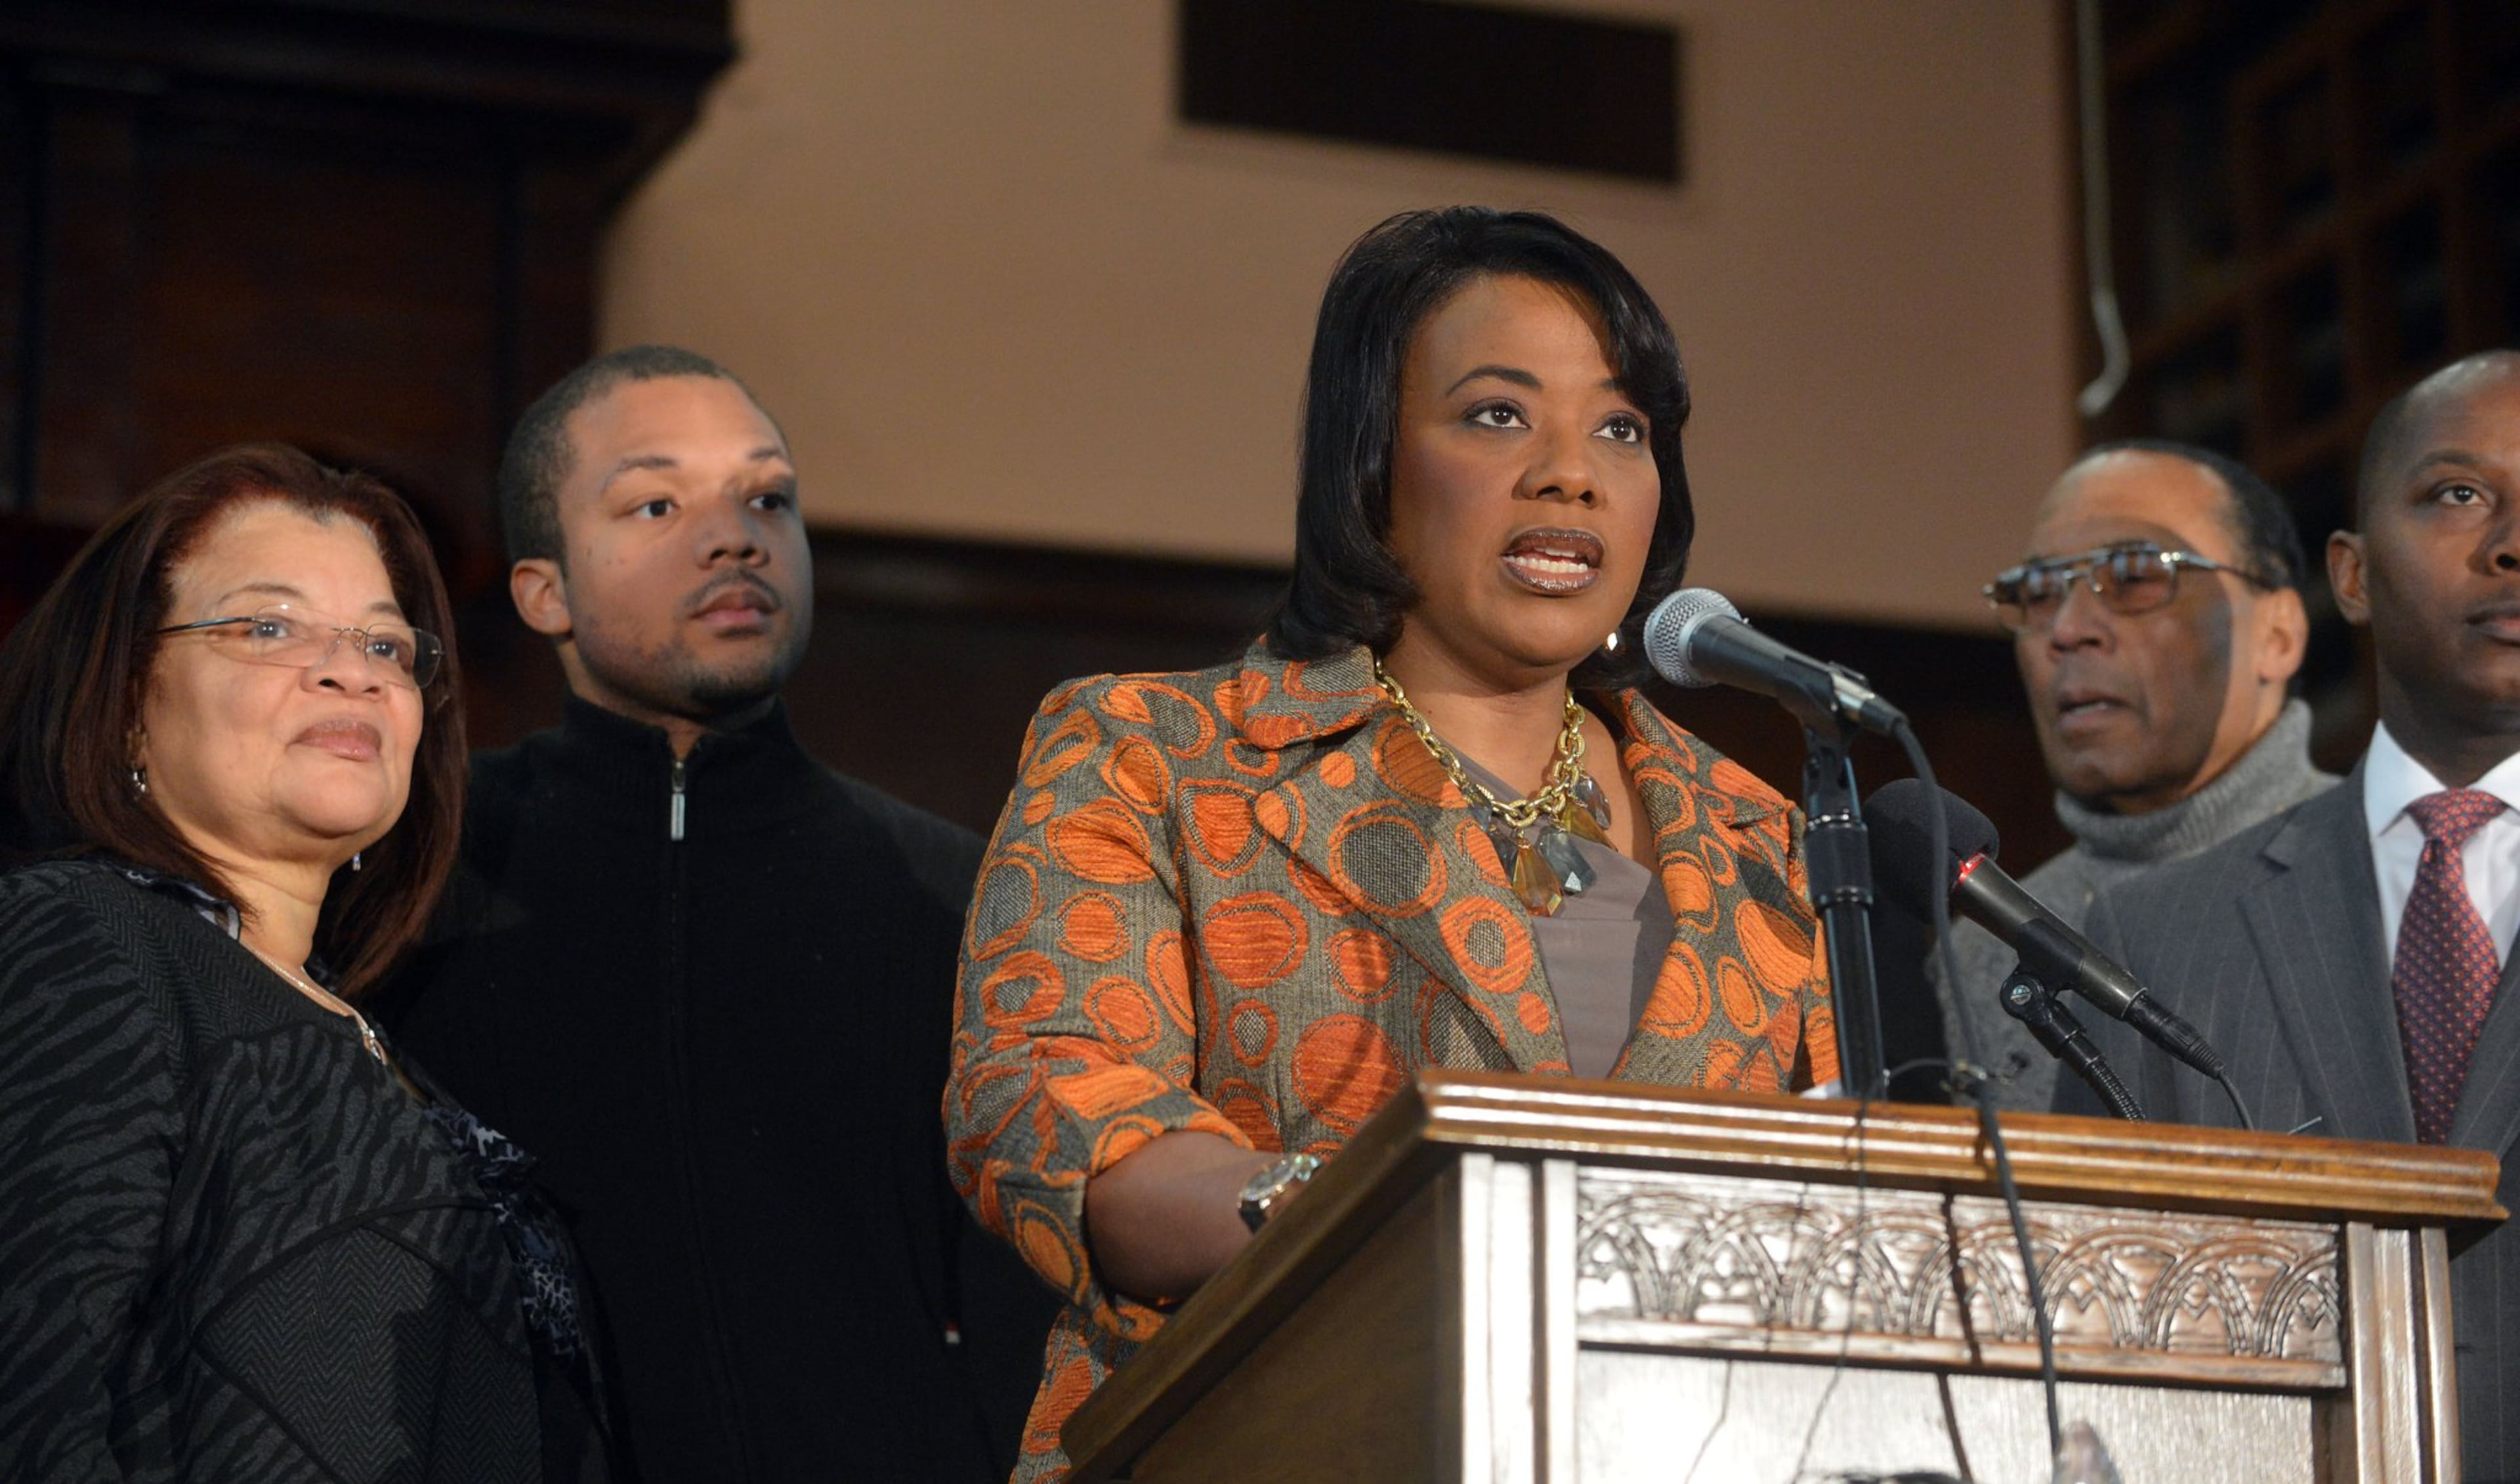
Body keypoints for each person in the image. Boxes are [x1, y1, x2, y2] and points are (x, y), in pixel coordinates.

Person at [945, 207, 1841, 1482]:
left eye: (1621, 428)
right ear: (1372, 461)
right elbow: (1052, 1117)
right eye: (1496, 414)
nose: (1569, 472)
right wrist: (1378, 1213)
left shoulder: (1766, 837)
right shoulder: (1156, 755)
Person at [380, 346, 1053, 1483]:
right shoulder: (418, 873)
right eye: (655, 502)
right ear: (544, 590)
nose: (737, 535)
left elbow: (1017, 1318)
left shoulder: (959, 892)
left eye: (767, 497)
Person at [0, 444, 602, 1481]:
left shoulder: (386, 1046)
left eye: (383, 641)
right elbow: (29, 1394)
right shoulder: (81, 939)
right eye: (267, 626)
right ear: (130, 698)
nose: (349, 668)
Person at [2063, 350, 2520, 1480]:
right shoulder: (2147, 942)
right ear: (2351, 577)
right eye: (2458, 494)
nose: (2511, 541)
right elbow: (2089, 1362)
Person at [1941, 441, 2330, 1109]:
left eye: (2134, 576)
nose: (2067, 628)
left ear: (2279, 633)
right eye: (2036, 593)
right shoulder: (1980, 950)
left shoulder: (2390, 870)